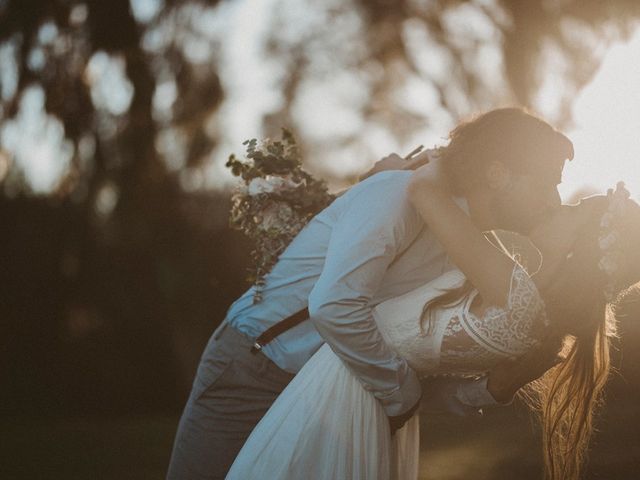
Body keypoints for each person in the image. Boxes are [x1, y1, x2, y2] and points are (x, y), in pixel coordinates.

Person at [166, 107, 574, 479]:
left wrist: (486, 389)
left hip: (333, 392)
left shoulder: (471, 248)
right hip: (253, 370)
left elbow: (409, 354)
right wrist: (400, 394)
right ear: (498, 174)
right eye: (547, 183)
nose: (553, 202)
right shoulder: (394, 195)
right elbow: (334, 306)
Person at [225, 171, 640, 479]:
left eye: (576, 209)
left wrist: (469, 163)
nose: (556, 204)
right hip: (368, 411)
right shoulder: (534, 318)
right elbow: (438, 385)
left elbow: (423, 190)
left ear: (581, 249)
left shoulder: (512, 290)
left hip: (341, 403)